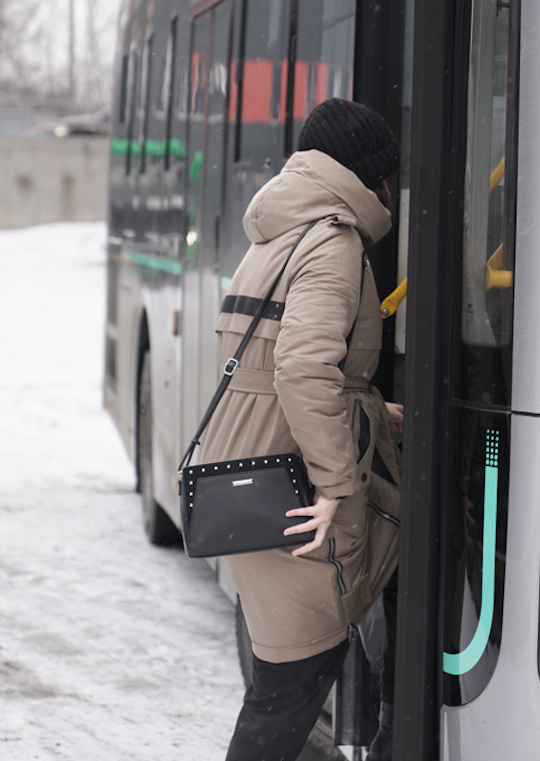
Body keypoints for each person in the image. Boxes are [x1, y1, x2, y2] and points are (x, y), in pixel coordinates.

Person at [193, 97, 403, 761]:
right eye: (387, 175)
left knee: (294, 676)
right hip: (291, 485)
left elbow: (280, 368)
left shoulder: (284, 230)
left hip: (251, 473)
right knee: (290, 684)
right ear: (368, 175)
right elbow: (302, 369)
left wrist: (371, 410)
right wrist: (338, 484)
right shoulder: (332, 241)